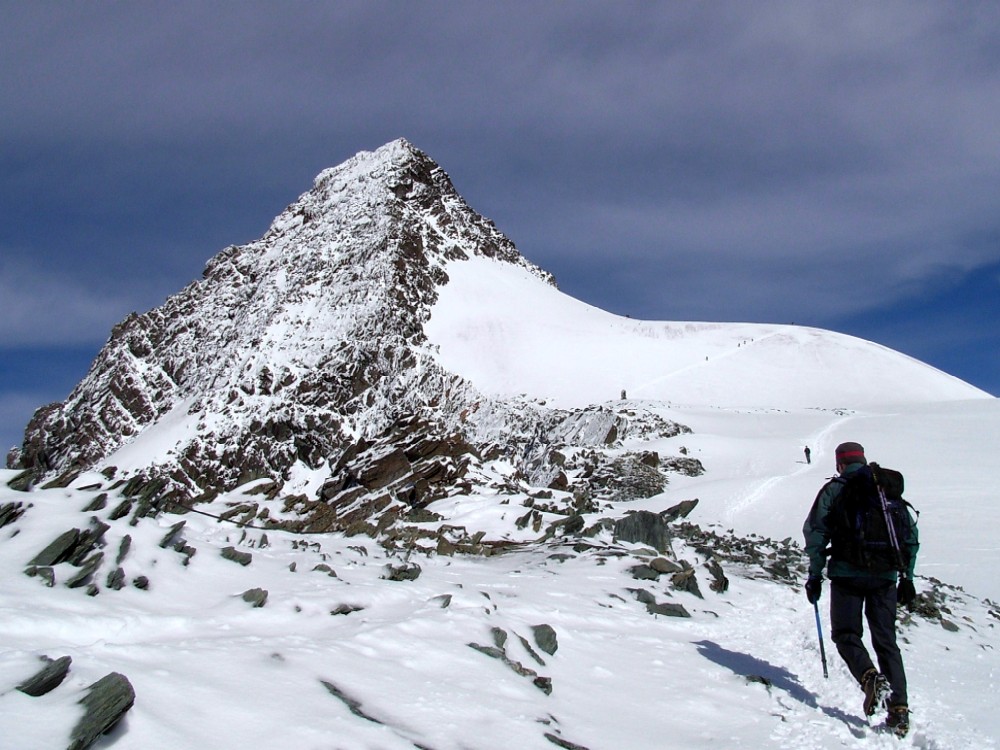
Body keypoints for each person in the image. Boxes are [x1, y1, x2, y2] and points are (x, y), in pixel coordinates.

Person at [802, 442, 919, 737]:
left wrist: (815, 575)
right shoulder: (885, 490)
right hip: (885, 576)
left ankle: (869, 678)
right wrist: (908, 578)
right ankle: (899, 712)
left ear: (840, 463)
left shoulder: (836, 489)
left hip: (846, 574)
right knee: (886, 641)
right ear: (863, 460)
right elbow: (910, 536)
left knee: (846, 634)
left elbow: (815, 532)